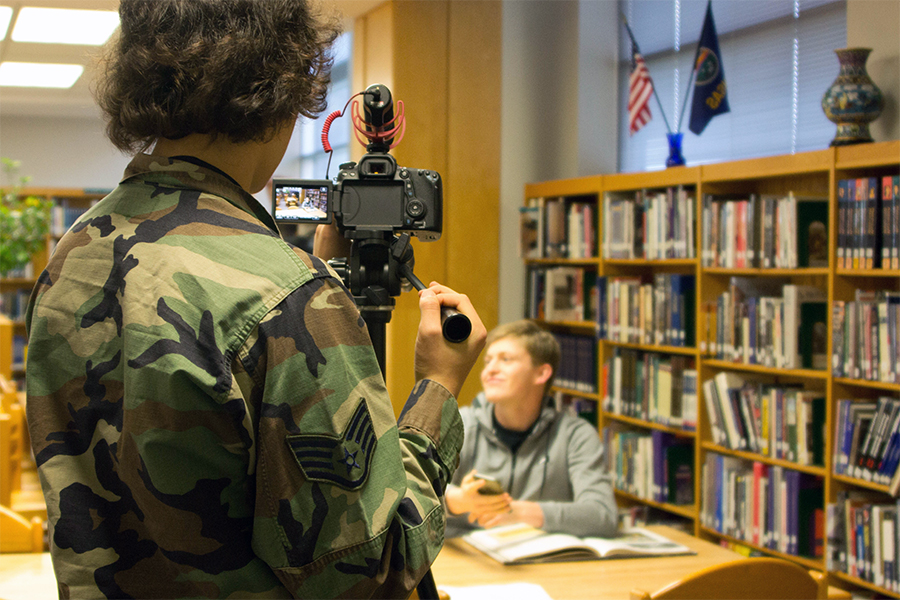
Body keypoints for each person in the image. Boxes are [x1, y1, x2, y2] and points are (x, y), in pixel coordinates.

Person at [24, 1, 486, 598]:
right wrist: (439, 390)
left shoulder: (74, 255)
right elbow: (374, 571)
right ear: (277, 89)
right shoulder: (285, 293)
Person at [444, 320, 617, 539]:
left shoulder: (576, 435)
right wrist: (457, 500)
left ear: (541, 373)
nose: (490, 371)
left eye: (505, 359)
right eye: (488, 362)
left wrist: (520, 513)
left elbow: (603, 515)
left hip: (539, 564)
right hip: (465, 560)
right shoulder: (459, 424)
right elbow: (407, 495)